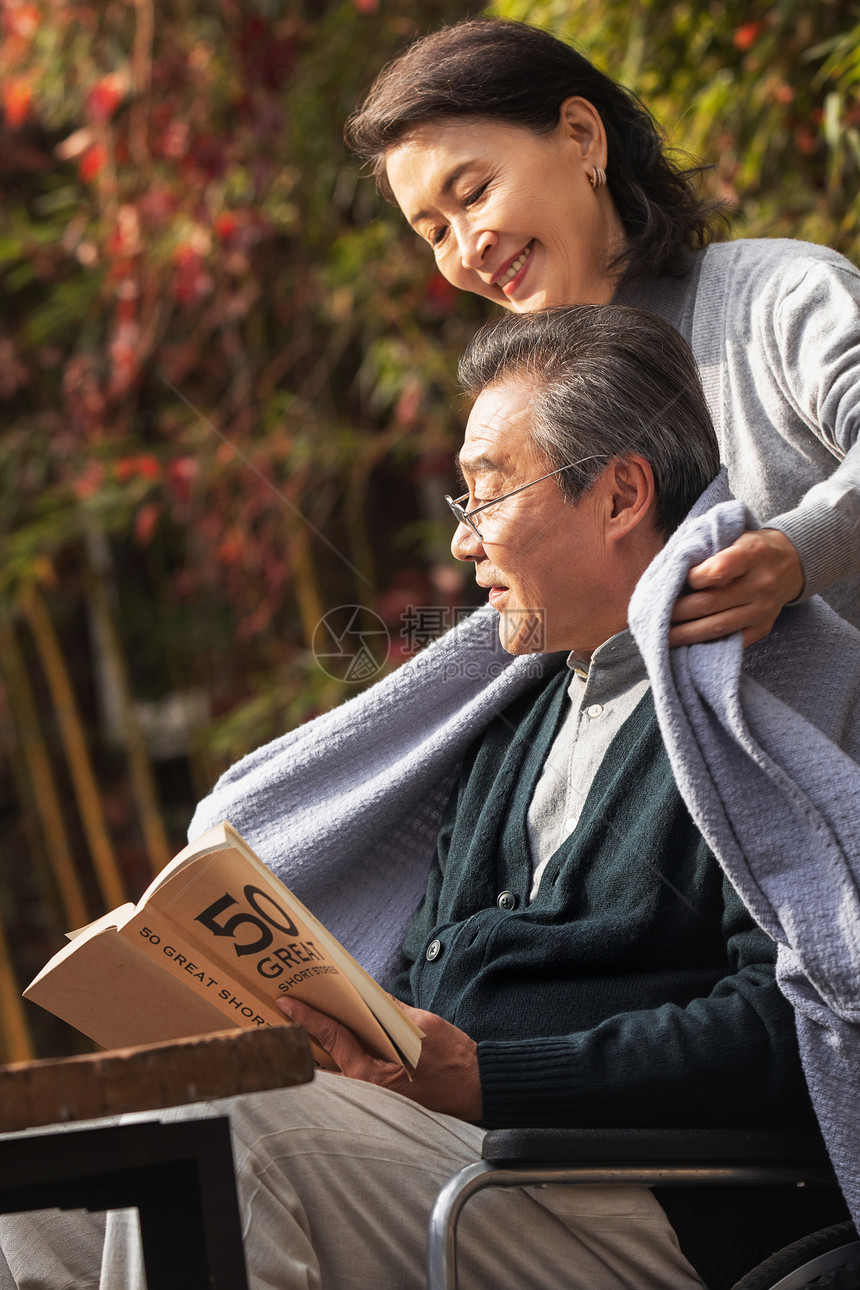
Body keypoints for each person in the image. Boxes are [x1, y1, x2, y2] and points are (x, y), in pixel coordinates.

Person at [2, 305, 855, 1290]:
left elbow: (792, 1025)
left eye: (486, 494)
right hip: (459, 1156)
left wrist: (484, 1077)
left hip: (634, 1197)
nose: (462, 546)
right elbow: (428, 981)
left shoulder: (764, 702)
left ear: (620, 493)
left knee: (235, 1133)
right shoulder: (509, 719)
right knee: (55, 1154)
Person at [344, 16, 860, 643]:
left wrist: (797, 554)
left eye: (475, 192)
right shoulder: (524, 413)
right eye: (435, 233)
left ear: (583, 138)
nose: (467, 250)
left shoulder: (784, 297)